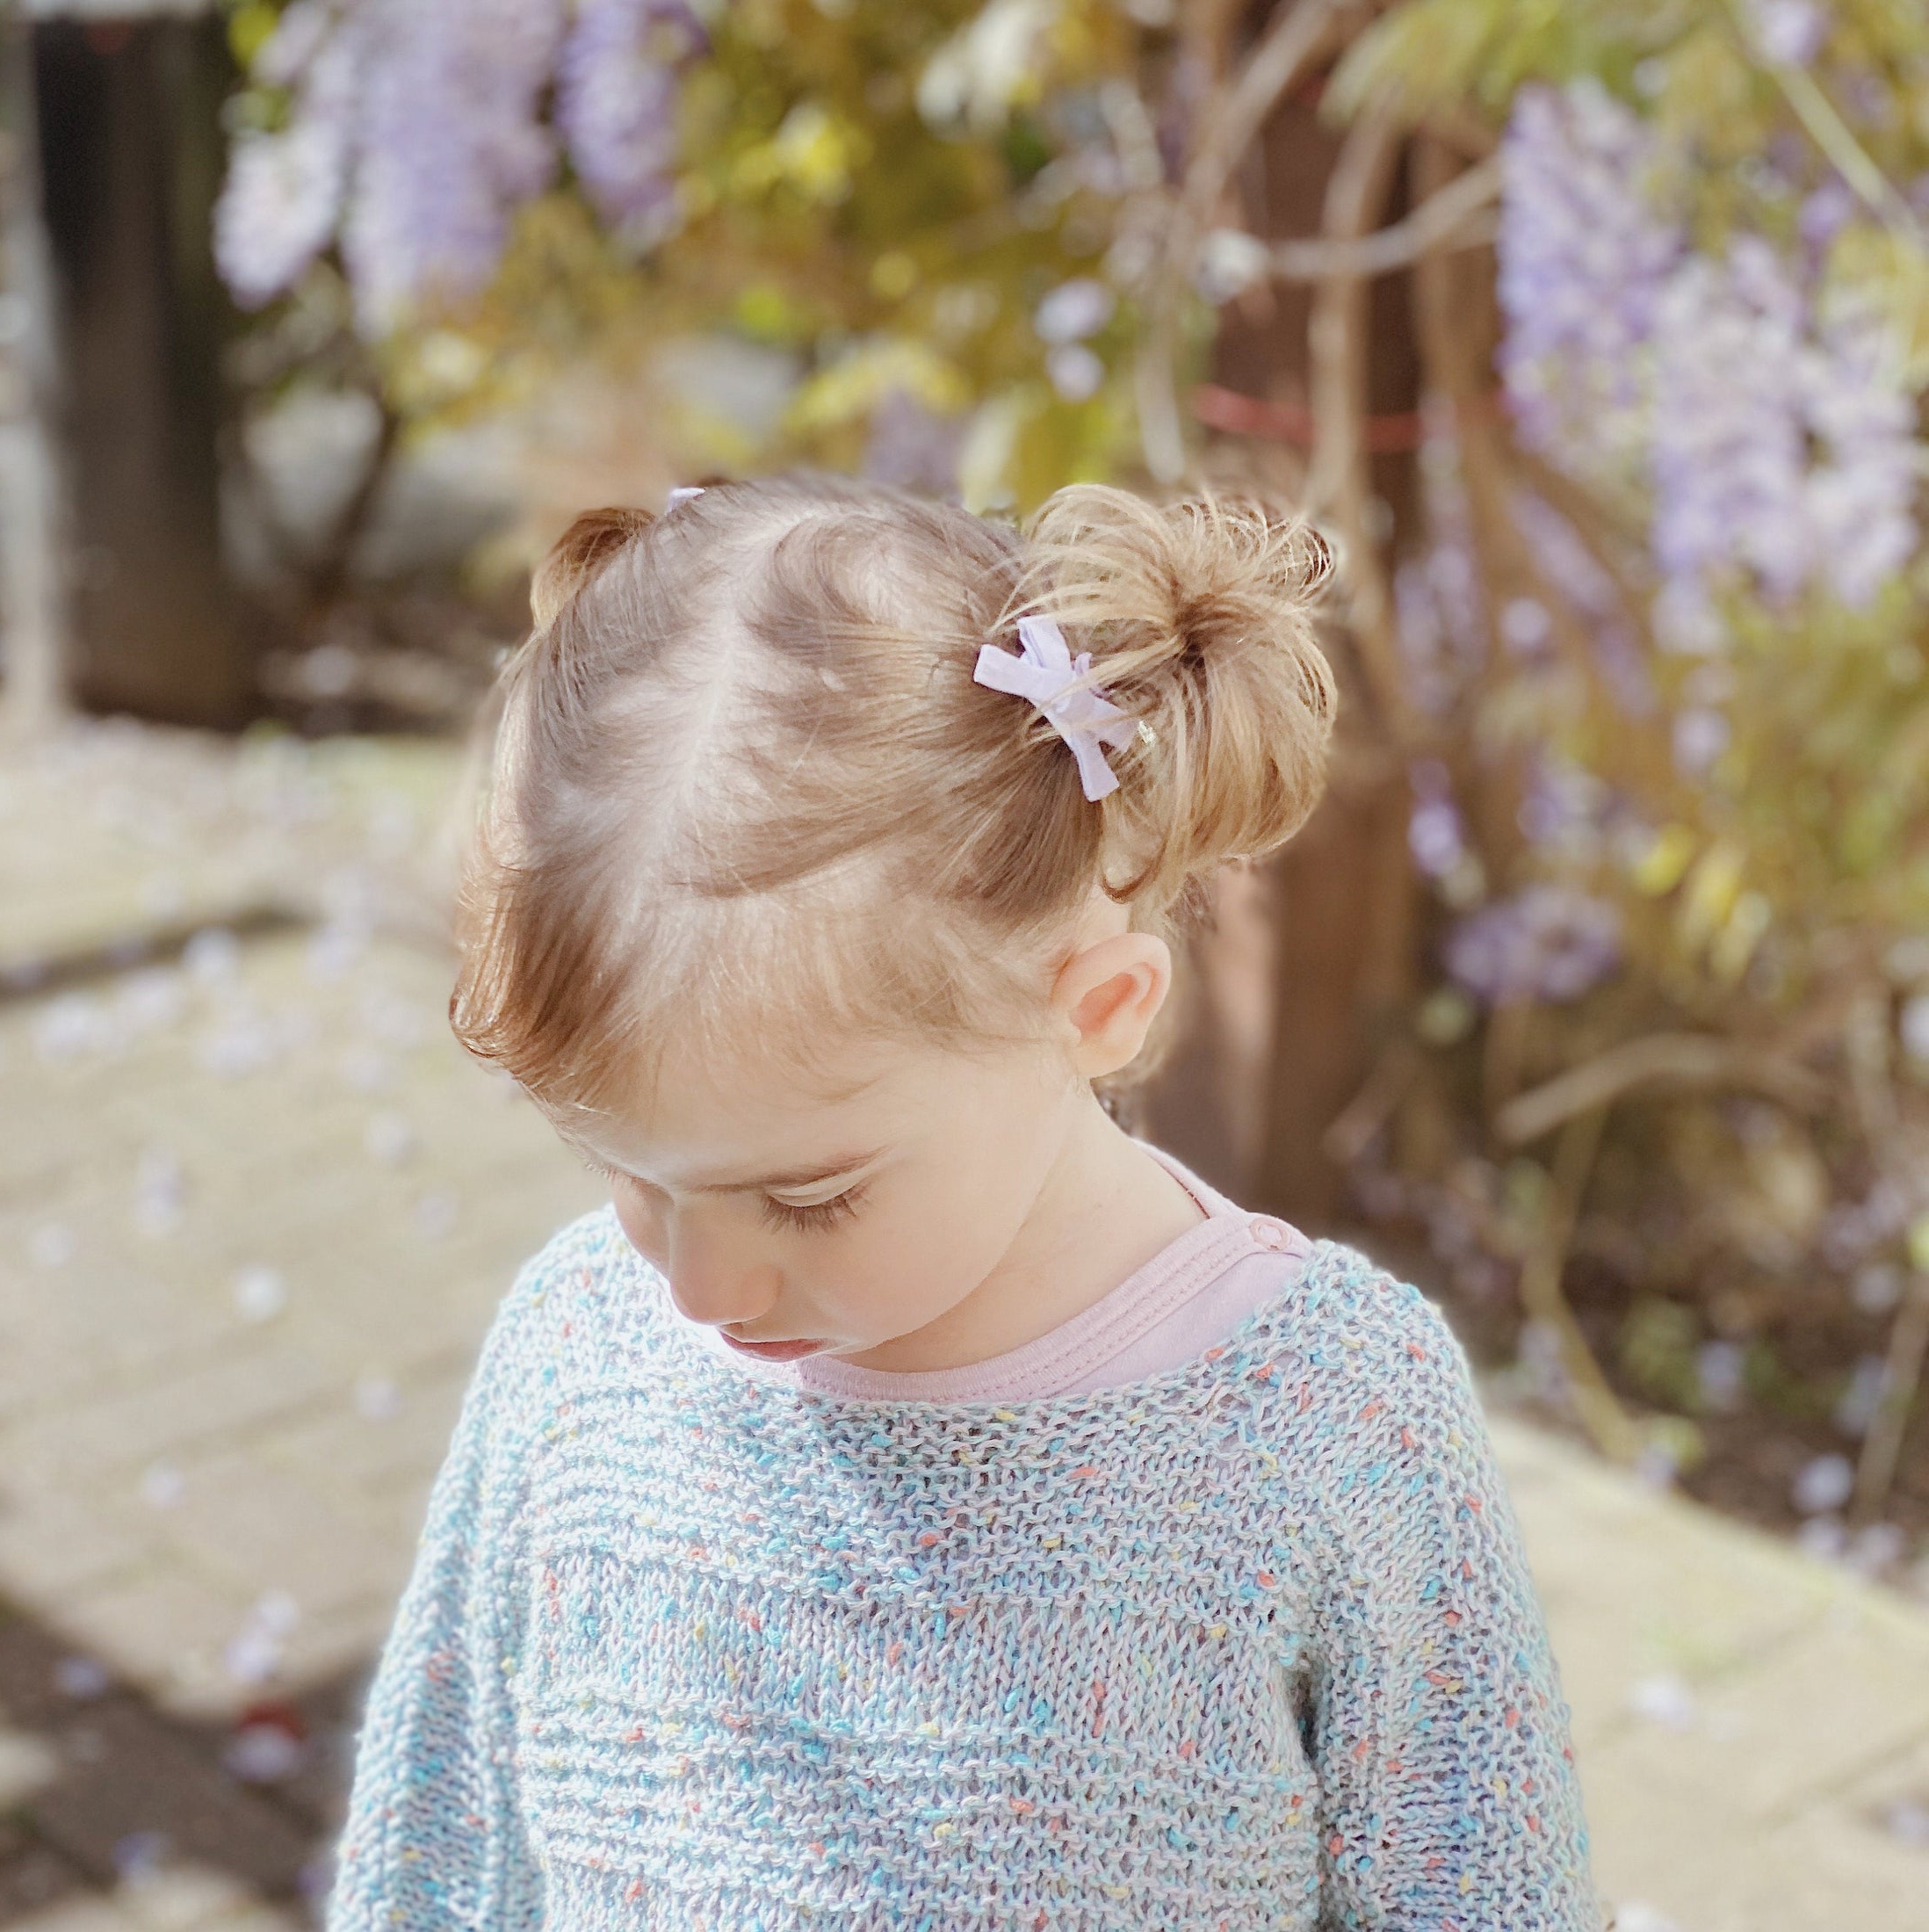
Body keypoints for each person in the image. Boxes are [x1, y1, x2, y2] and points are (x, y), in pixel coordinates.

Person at [323, 473, 1604, 1929]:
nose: (696, 1287)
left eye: (806, 1199)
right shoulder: (576, 1356)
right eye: (629, 1172)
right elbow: (445, 1855)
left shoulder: (1328, 1421)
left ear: (1099, 1011)